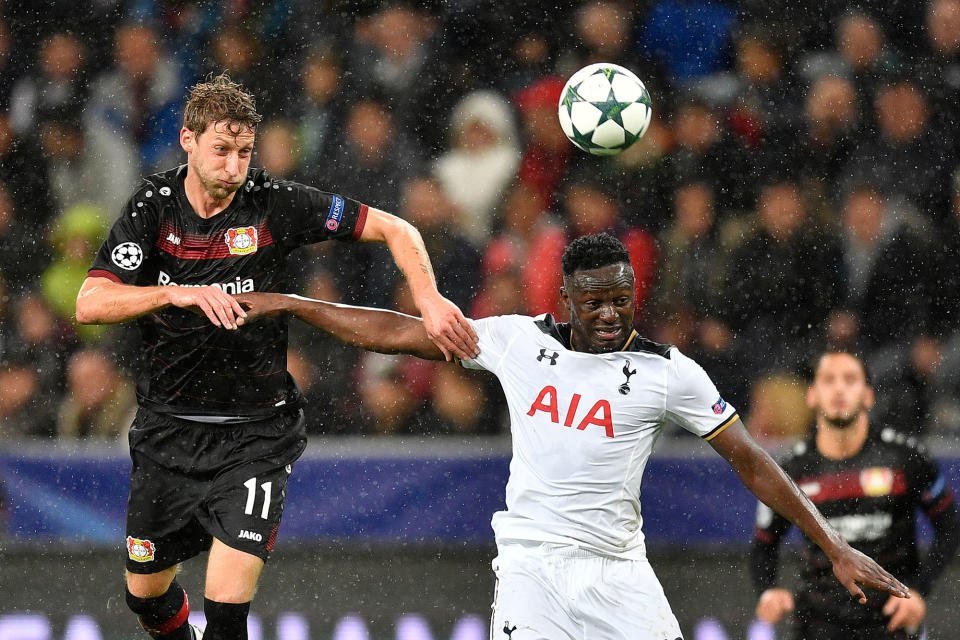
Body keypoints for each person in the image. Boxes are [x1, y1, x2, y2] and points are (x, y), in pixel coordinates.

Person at [235, 233, 910, 640]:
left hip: (620, 570)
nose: (611, 312)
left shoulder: (667, 373)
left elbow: (750, 460)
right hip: (533, 565)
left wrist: (831, 544)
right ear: (565, 299)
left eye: (621, 297)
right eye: (595, 302)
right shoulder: (515, 342)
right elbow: (395, 331)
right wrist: (293, 305)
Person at [74, 73, 478, 640]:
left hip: (255, 437)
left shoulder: (274, 204)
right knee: (145, 595)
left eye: (243, 151)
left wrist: (430, 301)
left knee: (227, 607)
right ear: (188, 140)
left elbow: (395, 226)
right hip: (167, 431)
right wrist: (174, 292)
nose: (234, 166)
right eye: (221, 149)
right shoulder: (154, 208)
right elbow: (90, 302)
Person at [751, 351, 959, 639]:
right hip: (817, 627)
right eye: (828, 380)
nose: (839, 389)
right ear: (811, 395)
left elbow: (950, 527)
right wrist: (767, 591)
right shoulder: (791, 471)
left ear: (868, 395)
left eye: (850, 380)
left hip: (893, 626)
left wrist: (920, 591)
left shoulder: (907, 458)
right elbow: (764, 542)